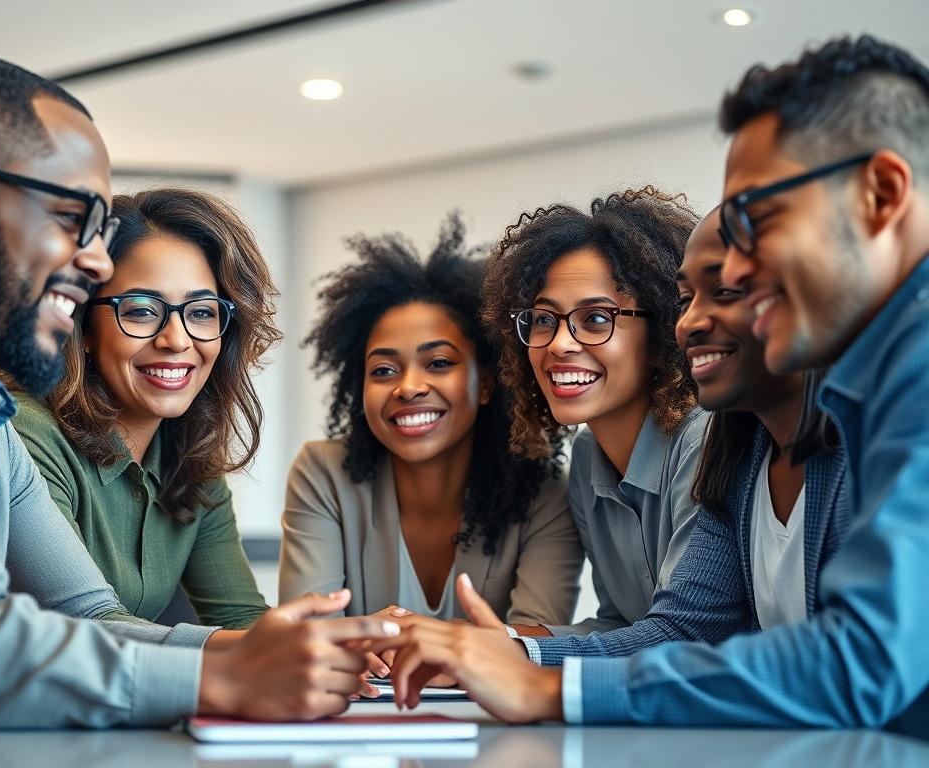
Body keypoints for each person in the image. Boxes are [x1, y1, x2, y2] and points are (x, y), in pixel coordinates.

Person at [383, 35, 929, 733]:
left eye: (758, 220)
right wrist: (518, 656)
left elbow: (861, 662)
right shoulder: (751, 438)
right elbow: (687, 628)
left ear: (882, 193)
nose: (739, 272)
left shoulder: (906, 371)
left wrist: (547, 687)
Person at [0, 52, 397, 737]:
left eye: (201, 313)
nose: (94, 261)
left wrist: (277, 653)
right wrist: (225, 676)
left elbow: (88, 617)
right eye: (70, 217)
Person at [280, 214, 582, 638]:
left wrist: (399, 637)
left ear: (486, 383)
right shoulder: (323, 474)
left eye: (439, 363)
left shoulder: (544, 494)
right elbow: (307, 637)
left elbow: (534, 647)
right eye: (383, 370)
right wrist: (467, 643)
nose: (408, 387)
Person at [11, 188, 274, 630]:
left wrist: (347, 646)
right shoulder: (26, 432)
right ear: (82, 327)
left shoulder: (190, 455)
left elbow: (241, 618)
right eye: (140, 311)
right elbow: (86, 627)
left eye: (202, 312)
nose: (177, 340)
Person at [479, 187, 707, 636]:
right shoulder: (587, 458)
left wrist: (510, 648)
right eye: (544, 319)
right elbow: (620, 623)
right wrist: (489, 641)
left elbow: (681, 637)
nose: (559, 343)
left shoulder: (704, 441)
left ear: (664, 333)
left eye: (597, 319)